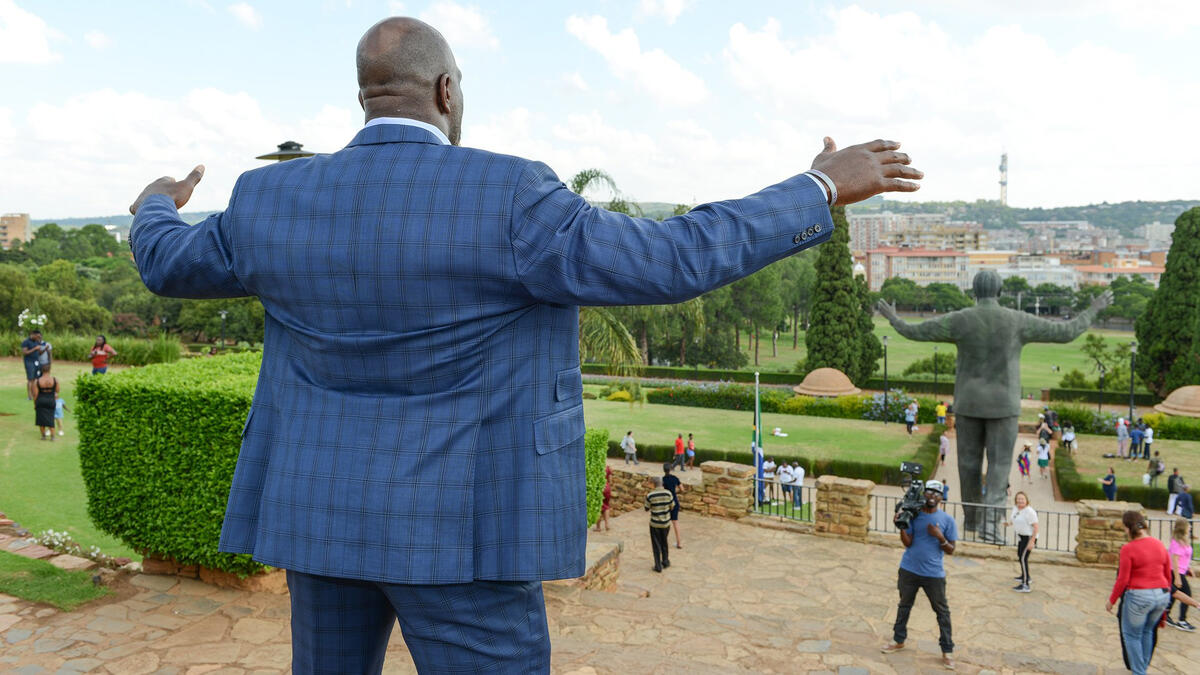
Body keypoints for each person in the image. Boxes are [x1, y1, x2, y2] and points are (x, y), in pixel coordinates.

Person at [125, 16, 922, 671]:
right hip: (464, 538)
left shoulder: (272, 199)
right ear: (446, 91)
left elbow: (165, 260)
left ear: (366, 97)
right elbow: (674, 257)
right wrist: (819, 187)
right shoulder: (507, 195)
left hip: (321, 521)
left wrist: (155, 203)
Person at [877, 271, 1110, 544]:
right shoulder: (1016, 320)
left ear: (974, 291)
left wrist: (894, 318)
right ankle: (990, 527)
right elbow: (1066, 332)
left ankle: (973, 521)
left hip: (968, 402)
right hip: (1003, 405)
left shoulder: (961, 319)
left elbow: (915, 331)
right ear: (1000, 291)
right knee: (999, 468)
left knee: (968, 467)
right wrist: (1094, 309)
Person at [881, 479, 956, 671]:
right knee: (904, 605)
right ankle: (898, 639)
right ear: (924, 494)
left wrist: (940, 536)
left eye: (937, 494)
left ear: (941, 498)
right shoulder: (914, 515)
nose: (932, 496)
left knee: (942, 612)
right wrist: (901, 527)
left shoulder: (947, 521)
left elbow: (951, 550)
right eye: (929, 492)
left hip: (933, 574)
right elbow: (908, 542)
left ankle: (947, 651)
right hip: (909, 569)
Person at [1106, 510, 1172, 675]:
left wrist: (1111, 601)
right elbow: (1167, 574)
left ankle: (1139, 672)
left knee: (1131, 635)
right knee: (1148, 631)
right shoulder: (1159, 544)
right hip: (1162, 594)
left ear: (1128, 528)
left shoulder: (1128, 549)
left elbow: (1123, 579)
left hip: (1140, 595)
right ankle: (1142, 668)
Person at [1004, 491, 1038, 592]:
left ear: (1026, 500)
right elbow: (1014, 519)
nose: (1020, 501)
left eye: (1022, 499)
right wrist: (1008, 523)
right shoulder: (1016, 508)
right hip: (1021, 537)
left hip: (1028, 537)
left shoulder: (1030, 511)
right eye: (1018, 499)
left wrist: (1032, 541)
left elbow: (1036, 527)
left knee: (1023, 558)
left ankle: (1025, 585)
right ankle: (1026, 576)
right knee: (1020, 556)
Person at [1166, 517, 1196, 631]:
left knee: (1174, 594)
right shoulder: (1177, 543)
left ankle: (1166, 614)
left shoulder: (1183, 541)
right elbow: (1174, 560)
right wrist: (1177, 578)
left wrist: (1188, 568)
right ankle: (1182, 620)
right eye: (1188, 526)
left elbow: (1184, 558)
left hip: (1181, 571)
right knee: (1186, 595)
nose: (1190, 527)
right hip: (1176, 572)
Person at [644, 476, 674, 573]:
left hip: (655, 524)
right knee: (664, 542)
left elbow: (646, 508)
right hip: (666, 523)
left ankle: (658, 566)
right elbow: (672, 506)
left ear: (653, 484)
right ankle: (665, 561)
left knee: (656, 545)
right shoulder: (668, 493)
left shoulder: (650, 495)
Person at [32, 364, 58, 441]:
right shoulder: (55, 380)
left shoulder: (37, 381)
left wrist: (35, 403)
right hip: (50, 400)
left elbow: (35, 394)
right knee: (51, 418)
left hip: (41, 400)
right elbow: (57, 391)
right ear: (49, 370)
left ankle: (43, 436)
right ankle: (53, 436)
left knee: (41, 419)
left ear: (41, 370)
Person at [20, 330, 47, 400]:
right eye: (37, 336)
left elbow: (39, 353)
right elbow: (25, 352)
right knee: (30, 379)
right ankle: (29, 396)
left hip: (36, 362)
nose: (38, 338)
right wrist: (35, 348)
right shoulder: (26, 342)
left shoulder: (37, 342)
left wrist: (45, 349)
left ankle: (35, 393)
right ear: (32, 335)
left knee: (36, 379)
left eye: (39, 337)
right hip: (29, 362)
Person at [661, 462, 683, 549]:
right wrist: (675, 492)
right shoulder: (675, 478)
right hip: (674, 502)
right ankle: (679, 543)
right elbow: (682, 489)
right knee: (675, 522)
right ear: (670, 469)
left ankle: (663, 542)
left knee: (664, 523)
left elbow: (662, 491)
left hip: (666, 502)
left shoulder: (663, 479)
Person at [593, 466, 612, 533]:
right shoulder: (607, 468)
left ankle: (598, 527)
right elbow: (610, 480)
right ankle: (607, 525)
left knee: (598, 507)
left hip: (599, 489)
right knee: (606, 506)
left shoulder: (596, 467)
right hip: (607, 488)